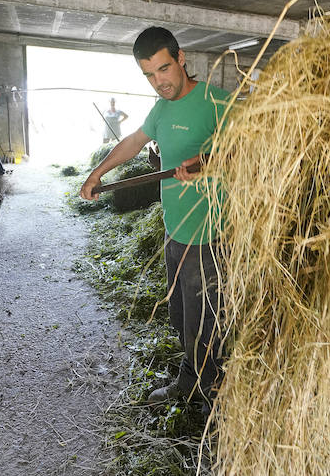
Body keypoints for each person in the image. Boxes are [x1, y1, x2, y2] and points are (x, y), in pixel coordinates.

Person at [80, 26, 229, 415]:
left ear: (181, 59)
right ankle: (198, 377)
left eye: (163, 69)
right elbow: (134, 141)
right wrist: (99, 173)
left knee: (204, 323)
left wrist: (207, 166)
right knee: (181, 316)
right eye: (149, 74)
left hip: (209, 235)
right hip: (175, 229)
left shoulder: (219, 102)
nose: (158, 81)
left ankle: (205, 392)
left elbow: (247, 153)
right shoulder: (163, 108)